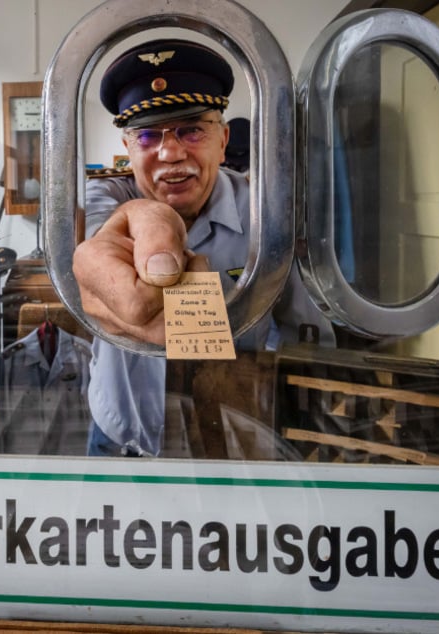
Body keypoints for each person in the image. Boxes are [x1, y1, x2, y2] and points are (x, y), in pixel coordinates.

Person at [73, 39, 334, 457]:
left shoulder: (268, 218)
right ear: (128, 149)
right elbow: (97, 238)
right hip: (122, 437)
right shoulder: (105, 198)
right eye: (147, 136)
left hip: (238, 438)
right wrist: (142, 216)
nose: (171, 152)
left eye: (192, 129)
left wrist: (289, 421)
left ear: (224, 139)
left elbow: (305, 338)